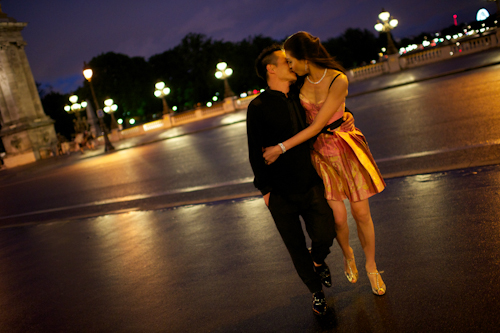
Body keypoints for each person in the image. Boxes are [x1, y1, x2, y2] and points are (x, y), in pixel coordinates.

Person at [263, 32, 387, 296]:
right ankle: (347, 254)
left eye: (291, 60)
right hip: (320, 155)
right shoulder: (298, 84)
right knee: (339, 219)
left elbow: (319, 123)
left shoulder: (337, 79)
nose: (289, 65)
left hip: (345, 150)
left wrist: (281, 148)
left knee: (361, 214)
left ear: (305, 58)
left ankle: (372, 267)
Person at [247, 44, 354, 315]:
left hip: (311, 181)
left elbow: (329, 108)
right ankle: (316, 293)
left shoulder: (300, 92)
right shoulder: (257, 107)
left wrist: (346, 116)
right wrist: (266, 192)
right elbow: (254, 151)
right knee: (295, 246)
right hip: (280, 193)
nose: (292, 65)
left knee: (326, 233)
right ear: (271, 69)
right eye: (286, 61)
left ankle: (318, 260)